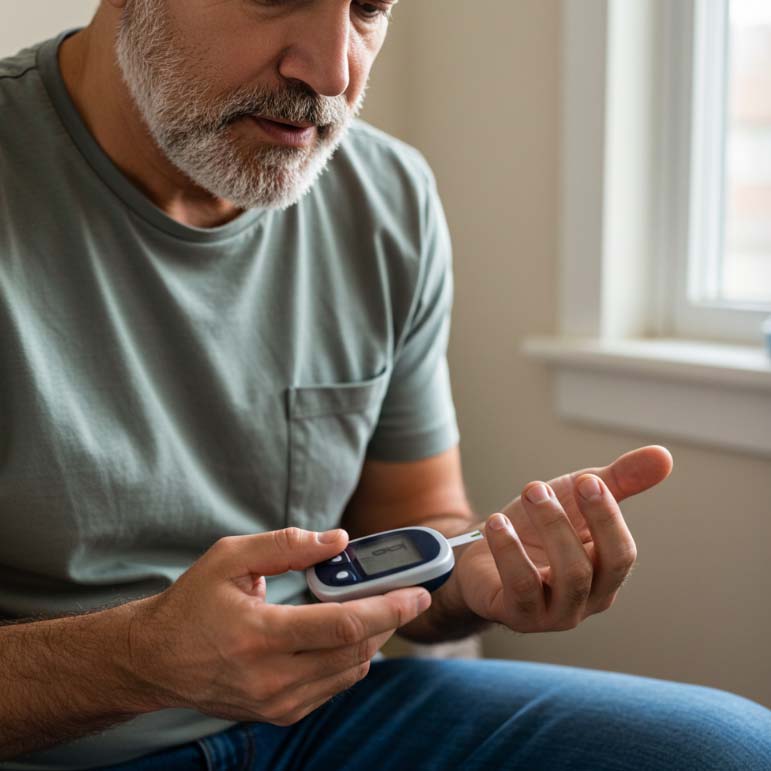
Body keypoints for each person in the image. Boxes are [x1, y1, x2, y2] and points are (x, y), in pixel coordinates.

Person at [1, 1, 770, 769]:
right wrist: (139, 659)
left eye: (368, 8)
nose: (334, 70)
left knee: (729, 750)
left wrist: (473, 576)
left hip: (322, 718)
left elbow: (415, 521)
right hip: (65, 743)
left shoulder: (387, 194)